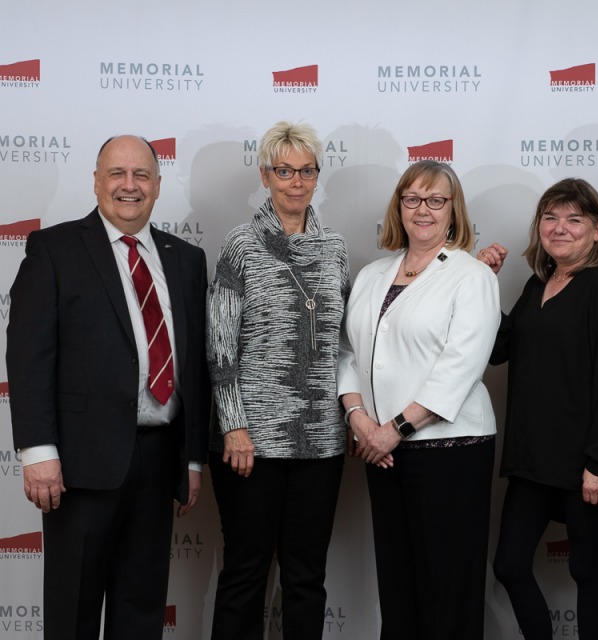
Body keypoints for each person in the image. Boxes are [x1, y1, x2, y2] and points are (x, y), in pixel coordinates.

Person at [6, 135, 210, 640]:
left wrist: (191, 459)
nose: (129, 185)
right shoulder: (54, 249)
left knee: (141, 612)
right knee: (73, 612)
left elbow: (196, 365)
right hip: (79, 465)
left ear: (158, 186)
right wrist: (37, 452)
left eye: (141, 175)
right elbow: (28, 357)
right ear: (96, 182)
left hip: (159, 458)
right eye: (117, 174)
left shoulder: (185, 259)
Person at [337, 160, 500, 640]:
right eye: (412, 199)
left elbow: (460, 365)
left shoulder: (471, 276)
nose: (423, 210)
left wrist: (393, 430)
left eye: (436, 200)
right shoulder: (373, 274)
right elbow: (347, 351)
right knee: (399, 586)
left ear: (454, 210)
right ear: (399, 207)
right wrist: (359, 419)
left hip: (451, 450)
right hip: (382, 452)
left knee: (447, 591)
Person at [206, 121, 349, 640]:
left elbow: (343, 343)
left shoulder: (334, 248)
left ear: (317, 175)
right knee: (245, 574)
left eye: (305, 170)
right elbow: (220, 346)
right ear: (265, 175)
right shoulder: (240, 245)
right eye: (284, 170)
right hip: (252, 443)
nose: (295, 181)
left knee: (307, 578)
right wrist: (234, 426)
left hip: (321, 443)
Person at [478, 178, 598, 640]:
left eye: (574, 219)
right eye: (550, 217)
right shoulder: (536, 283)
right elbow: (499, 348)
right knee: (508, 564)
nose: (559, 227)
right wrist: (481, 282)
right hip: (532, 458)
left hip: (584, 461)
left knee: (585, 569)